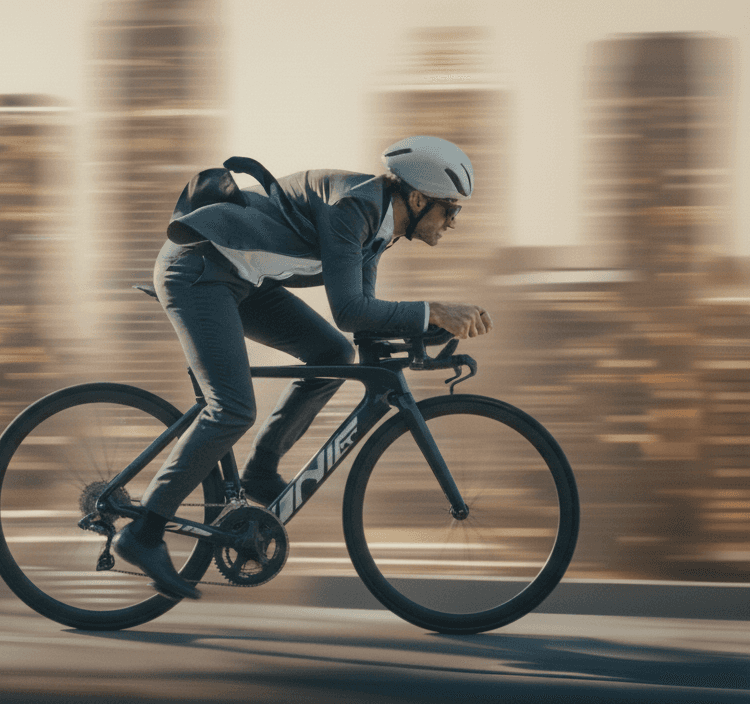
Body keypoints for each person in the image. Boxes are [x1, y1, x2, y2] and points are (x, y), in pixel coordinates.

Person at [113, 136, 494, 600]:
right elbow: (350, 311)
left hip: (243, 280)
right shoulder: (354, 209)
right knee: (231, 409)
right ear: (417, 199)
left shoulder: (380, 226)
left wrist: (431, 331)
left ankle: (261, 467)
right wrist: (431, 310)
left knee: (334, 355)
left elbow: (365, 316)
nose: (454, 223)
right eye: (451, 210)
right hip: (198, 271)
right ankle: (143, 533)